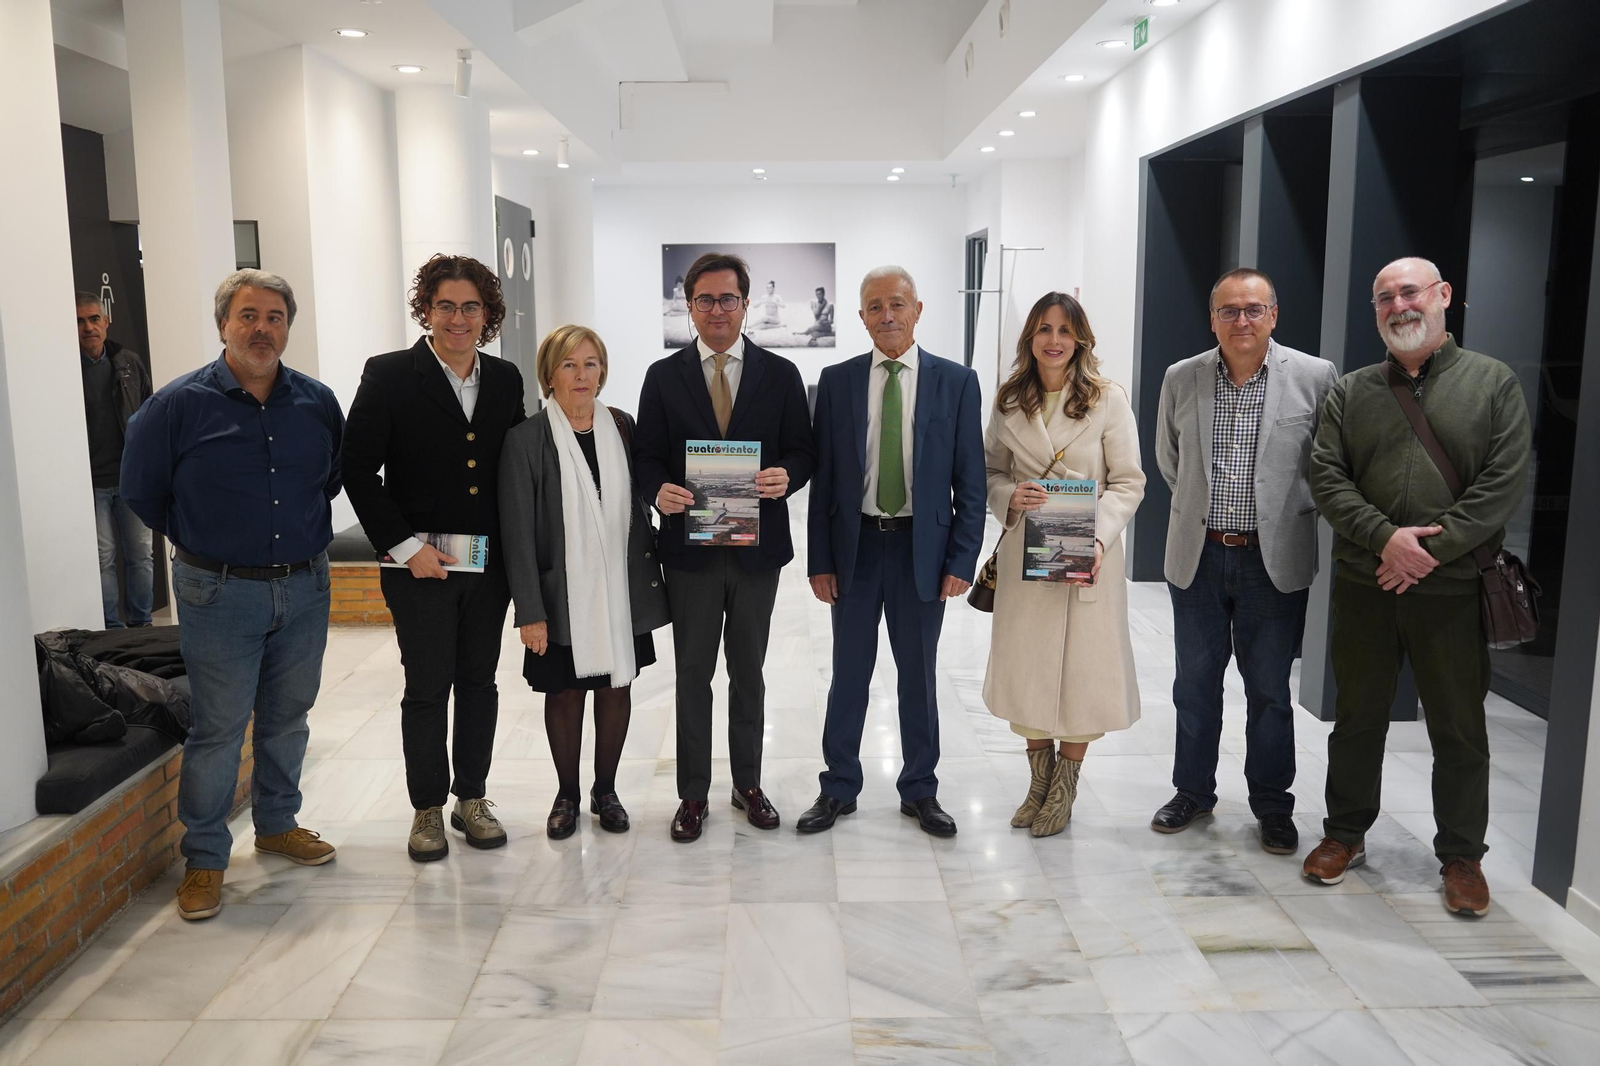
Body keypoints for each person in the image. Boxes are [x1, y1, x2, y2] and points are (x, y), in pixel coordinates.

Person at [1305, 257, 1531, 916]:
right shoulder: (1350, 391)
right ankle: (1344, 835)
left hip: (1454, 589)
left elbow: (1502, 482)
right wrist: (1386, 540)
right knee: (1357, 719)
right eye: (1384, 298)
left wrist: (1428, 551)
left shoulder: (1493, 384)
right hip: (1366, 582)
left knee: (1459, 729)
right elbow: (1327, 476)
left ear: (1442, 297)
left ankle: (1462, 856)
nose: (1399, 305)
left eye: (1410, 292)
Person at [121, 270, 343, 921]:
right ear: (223, 324)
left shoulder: (316, 402)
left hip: (305, 586)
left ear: (287, 327)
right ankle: (206, 860)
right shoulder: (176, 406)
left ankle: (277, 823)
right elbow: (141, 492)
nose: (261, 329)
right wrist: (208, 535)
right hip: (218, 591)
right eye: (248, 316)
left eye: (274, 317)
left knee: (288, 716)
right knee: (218, 729)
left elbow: (327, 480)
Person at [342, 254, 526, 862]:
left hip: (487, 566)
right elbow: (357, 469)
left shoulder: (505, 380)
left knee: (479, 682)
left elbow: (515, 470)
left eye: (470, 306)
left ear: (488, 314)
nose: (457, 317)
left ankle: (471, 798)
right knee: (427, 687)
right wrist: (405, 547)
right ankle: (426, 807)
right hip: (418, 566)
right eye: (445, 305)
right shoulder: (391, 374)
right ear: (426, 309)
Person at [1151, 268, 1338, 854]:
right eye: (1229, 310)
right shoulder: (1181, 378)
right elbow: (1169, 461)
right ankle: (1193, 791)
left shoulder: (1314, 377)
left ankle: (1272, 805)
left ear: (1273, 315)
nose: (1242, 320)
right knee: (1194, 687)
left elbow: (1327, 463)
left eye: (1254, 309)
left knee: (1270, 691)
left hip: (1272, 561)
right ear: (1213, 319)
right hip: (1200, 556)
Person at [634, 252, 816, 842]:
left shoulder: (780, 375)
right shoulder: (663, 377)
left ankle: (747, 783)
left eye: (728, 299)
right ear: (689, 308)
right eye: (705, 300)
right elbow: (647, 457)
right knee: (692, 674)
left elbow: (803, 452)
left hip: (757, 550)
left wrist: (786, 476)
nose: (717, 309)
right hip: (690, 550)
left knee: (749, 672)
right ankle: (691, 795)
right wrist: (656, 490)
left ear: (745, 305)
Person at [801, 265, 985, 836]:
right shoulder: (837, 381)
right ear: (860, 317)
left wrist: (961, 560)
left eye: (898, 304)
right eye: (875, 306)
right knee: (849, 673)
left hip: (919, 552)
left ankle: (920, 790)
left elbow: (971, 482)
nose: (887, 315)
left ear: (918, 309)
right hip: (856, 548)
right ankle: (839, 787)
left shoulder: (956, 382)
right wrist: (820, 561)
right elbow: (825, 482)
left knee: (918, 675)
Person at [982, 292, 1145, 837]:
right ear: (1030, 337)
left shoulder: (1107, 399)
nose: (1054, 340)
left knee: (1083, 674)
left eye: (1065, 330)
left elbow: (1129, 481)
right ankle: (1038, 779)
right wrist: (1011, 493)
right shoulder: (1009, 401)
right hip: (1028, 552)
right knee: (1026, 669)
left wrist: (1098, 540)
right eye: (1044, 329)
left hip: (1086, 555)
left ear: (1080, 339)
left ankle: (1066, 786)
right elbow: (989, 472)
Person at [500, 325, 669, 838]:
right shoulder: (526, 439)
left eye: (591, 363)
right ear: (550, 374)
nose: (581, 375)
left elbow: (642, 501)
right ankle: (567, 794)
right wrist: (530, 610)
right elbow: (518, 535)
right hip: (560, 597)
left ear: (603, 371)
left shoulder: (622, 426)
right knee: (567, 692)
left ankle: (606, 791)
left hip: (621, 591)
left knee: (617, 687)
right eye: (569, 365)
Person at [77, 292, 155, 629]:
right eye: (79, 321)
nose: (88, 327)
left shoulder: (128, 363)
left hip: (131, 479)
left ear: (106, 321)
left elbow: (151, 413)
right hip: (90, 483)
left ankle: (142, 626)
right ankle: (111, 630)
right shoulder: (64, 369)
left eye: (94, 319)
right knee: (102, 561)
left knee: (141, 557)